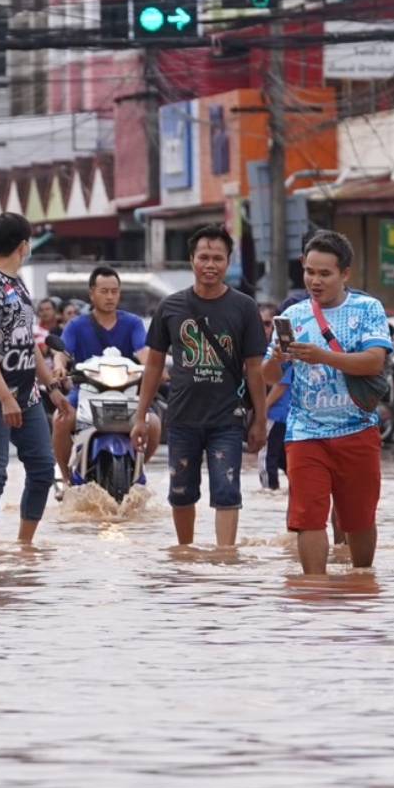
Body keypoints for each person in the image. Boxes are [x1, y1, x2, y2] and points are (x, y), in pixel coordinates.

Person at [262, 230, 392, 574]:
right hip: (305, 433)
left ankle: (361, 581)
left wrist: (323, 356)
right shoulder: (292, 316)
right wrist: (278, 358)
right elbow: (269, 376)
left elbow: (374, 361)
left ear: (345, 274)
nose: (314, 281)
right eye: (309, 272)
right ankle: (313, 592)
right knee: (308, 519)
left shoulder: (368, 309)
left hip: (357, 429)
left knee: (359, 520)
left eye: (324, 273)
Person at [133, 224, 267, 548]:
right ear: (192, 260)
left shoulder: (245, 307)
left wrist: (260, 420)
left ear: (228, 261)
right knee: (181, 493)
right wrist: (140, 415)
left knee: (227, 491)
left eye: (218, 258)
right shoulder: (170, 307)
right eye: (204, 257)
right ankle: (185, 557)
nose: (210, 265)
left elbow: (254, 369)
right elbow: (153, 365)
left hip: (228, 419)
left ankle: (225, 558)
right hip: (181, 417)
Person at [0, 212, 59, 548]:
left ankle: (24, 547)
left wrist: (50, 385)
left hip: (29, 395)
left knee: (43, 469)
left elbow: (26, 341)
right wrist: (5, 397)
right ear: (24, 245)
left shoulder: (17, 284)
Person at [61, 264, 160, 472]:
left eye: (114, 292)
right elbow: (62, 352)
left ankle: (137, 469)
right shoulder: (76, 325)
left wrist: (154, 368)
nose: (110, 297)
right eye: (104, 291)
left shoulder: (133, 323)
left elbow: (144, 352)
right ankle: (65, 475)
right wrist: (59, 367)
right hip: (85, 392)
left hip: (127, 392)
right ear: (91, 294)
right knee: (60, 419)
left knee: (155, 424)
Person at [259, 302, 291, 491]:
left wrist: (263, 410)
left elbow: (282, 383)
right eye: (260, 324)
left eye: (267, 324)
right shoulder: (266, 350)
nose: (264, 329)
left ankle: (269, 492)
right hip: (283, 414)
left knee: (266, 458)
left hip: (278, 413)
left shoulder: (281, 349)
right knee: (282, 459)